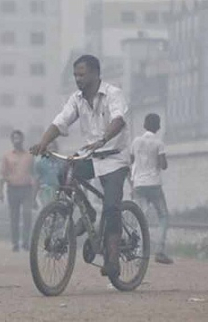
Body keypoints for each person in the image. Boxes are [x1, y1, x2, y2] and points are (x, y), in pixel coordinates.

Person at [30, 54, 130, 278]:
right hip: (91, 155)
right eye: (75, 75)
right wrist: (43, 143)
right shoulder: (76, 99)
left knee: (112, 207)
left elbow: (118, 120)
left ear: (95, 74)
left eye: (82, 74)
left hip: (114, 157)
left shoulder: (113, 94)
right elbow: (60, 121)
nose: (78, 79)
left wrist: (104, 139)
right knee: (65, 171)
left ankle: (113, 260)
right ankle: (87, 213)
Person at [131, 113, 173, 265]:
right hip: (154, 184)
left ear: (144, 125)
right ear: (158, 127)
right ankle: (160, 251)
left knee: (140, 218)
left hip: (138, 184)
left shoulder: (135, 142)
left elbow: (131, 162)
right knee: (163, 216)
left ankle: (138, 254)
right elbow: (163, 165)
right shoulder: (158, 143)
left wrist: (132, 182)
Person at [0, 130, 36, 252]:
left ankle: (26, 242)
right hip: (12, 189)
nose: (17, 140)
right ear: (12, 140)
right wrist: (0, 191)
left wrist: (35, 193)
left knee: (27, 215)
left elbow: (33, 174)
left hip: (26, 189)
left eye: (18, 138)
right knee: (14, 217)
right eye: (14, 138)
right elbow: (2, 174)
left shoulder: (29, 156)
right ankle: (15, 243)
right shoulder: (7, 156)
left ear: (22, 139)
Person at [34, 140, 63, 207]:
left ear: (57, 149)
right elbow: (37, 180)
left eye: (53, 147)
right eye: (50, 148)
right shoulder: (40, 163)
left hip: (59, 191)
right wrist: (34, 198)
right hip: (46, 191)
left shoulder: (62, 163)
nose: (52, 150)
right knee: (48, 211)